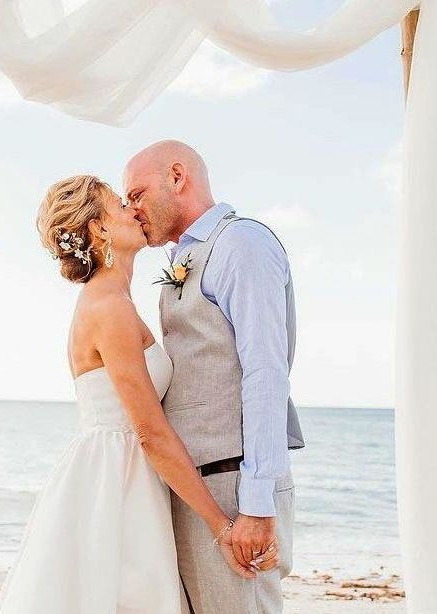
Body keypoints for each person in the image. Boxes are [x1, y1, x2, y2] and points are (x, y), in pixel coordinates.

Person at [0, 174, 254, 614]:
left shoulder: (114, 301)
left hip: (124, 473)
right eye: (119, 204)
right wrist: (221, 527)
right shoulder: (109, 309)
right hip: (116, 482)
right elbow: (149, 431)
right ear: (99, 229)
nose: (133, 209)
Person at [123, 139, 305, 613]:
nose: (132, 208)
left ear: (177, 178)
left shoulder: (241, 243)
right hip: (198, 490)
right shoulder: (188, 258)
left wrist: (257, 504)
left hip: (232, 487)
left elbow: (266, 373)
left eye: (138, 194)